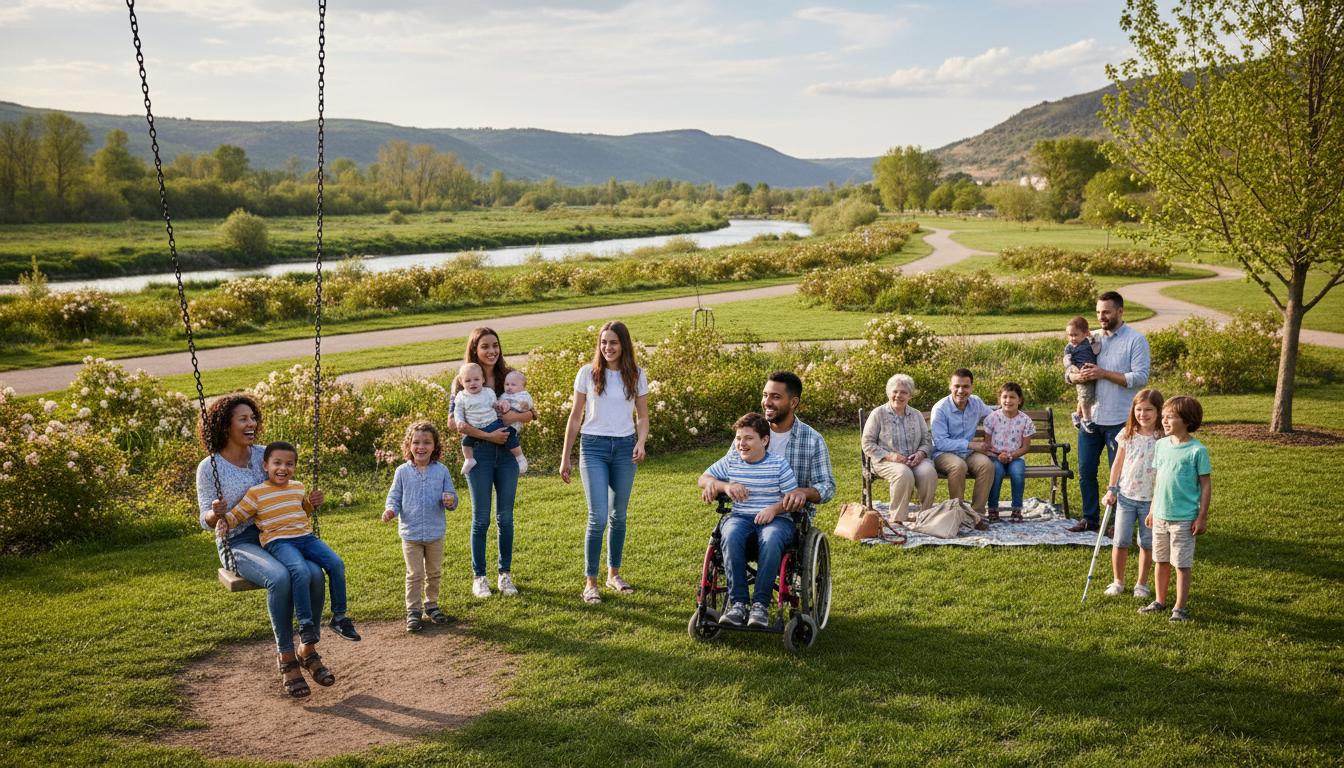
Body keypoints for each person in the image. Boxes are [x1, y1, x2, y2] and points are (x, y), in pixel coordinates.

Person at [196, 394, 328, 699]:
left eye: (253, 417)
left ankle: (307, 648)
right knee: (279, 578)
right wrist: (214, 513)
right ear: (225, 425)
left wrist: (306, 503)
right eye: (243, 419)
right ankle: (286, 658)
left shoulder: (262, 455)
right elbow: (204, 519)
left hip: (275, 535)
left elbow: (283, 491)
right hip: (237, 541)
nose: (251, 423)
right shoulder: (210, 466)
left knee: (315, 573)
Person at [218, 440, 360, 652]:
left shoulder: (298, 487)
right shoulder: (256, 493)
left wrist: (312, 503)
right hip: (278, 542)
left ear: (294, 467)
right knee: (300, 571)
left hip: (305, 538)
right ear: (265, 466)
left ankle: (339, 617)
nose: (283, 468)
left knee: (336, 563)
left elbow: (301, 511)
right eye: (277, 463)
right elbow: (238, 515)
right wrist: (223, 520)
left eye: (289, 464)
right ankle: (306, 624)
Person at [560, 320, 650, 605]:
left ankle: (614, 574)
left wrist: (641, 442)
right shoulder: (588, 373)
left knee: (618, 516)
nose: (607, 347)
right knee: (597, 517)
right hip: (593, 447)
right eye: (603, 342)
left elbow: (643, 417)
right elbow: (575, 417)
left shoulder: (636, 375)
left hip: (624, 448)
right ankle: (591, 583)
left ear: (623, 344)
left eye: (613, 342)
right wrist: (565, 457)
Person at [448, 327, 535, 599]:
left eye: (495, 345)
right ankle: (480, 577)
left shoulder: (508, 377)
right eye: (485, 346)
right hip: (480, 455)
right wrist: (487, 435)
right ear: (475, 349)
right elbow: (453, 422)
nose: (491, 350)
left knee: (505, 517)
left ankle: (505, 574)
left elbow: (532, 412)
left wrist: (512, 419)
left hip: (508, 454)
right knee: (481, 518)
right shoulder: (462, 380)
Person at [698, 413, 798, 628]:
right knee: (731, 534)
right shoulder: (731, 461)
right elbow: (703, 479)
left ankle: (760, 606)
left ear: (764, 440)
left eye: (748, 438)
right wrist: (725, 486)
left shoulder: (779, 465)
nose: (741, 444)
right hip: (741, 518)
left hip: (777, 520)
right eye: (738, 438)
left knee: (771, 539)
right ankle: (738, 604)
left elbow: (793, 499)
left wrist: (774, 509)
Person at [1067, 291, 1151, 533]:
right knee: (1086, 472)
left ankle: (1116, 523)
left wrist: (1103, 373)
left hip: (1120, 421)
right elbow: (1067, 372)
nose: (1101, 316)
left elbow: (1140, 377)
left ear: (1120, 311)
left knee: (1120, 476)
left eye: (1106, 312)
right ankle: (1090, 519)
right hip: (1090, 420)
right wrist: (1076, 376)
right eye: (1098, 312)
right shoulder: (1088, 338)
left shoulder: (1136, 340)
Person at [1140, 395, 1211, 622]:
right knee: (1160, 561)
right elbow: (1159, 481)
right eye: (1164, 417)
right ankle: (1160, 601)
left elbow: (1205, 486)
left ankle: (1179, 608)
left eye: (1170, 417)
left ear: (1187, 420)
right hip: (1160, 515)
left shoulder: (1197, 451)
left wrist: (1202, 517)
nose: (1164, 421)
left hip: (1184, 519)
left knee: (1181, 564)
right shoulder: (1161, 445)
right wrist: (1152, 510)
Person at [383, 420, 459, 633]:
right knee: (415, 573)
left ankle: (431, 605)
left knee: (434, 572)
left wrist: (450, 501)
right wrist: (390, 510)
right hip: (411, 534)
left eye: (427, 442)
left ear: (435, 446)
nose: (421, 447)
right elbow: (394, 497)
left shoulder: (441, 470)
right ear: (409, 445)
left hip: (435, 533)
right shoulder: (402, 472)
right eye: (416, 442)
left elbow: (452, 496)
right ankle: (413, 611)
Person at [1102, 389, 1164, 600]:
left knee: (1146, 543)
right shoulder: (1127, 433)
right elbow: (1117, 463)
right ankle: (1118, 581)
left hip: (1151, 500)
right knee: (1120, 541)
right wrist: (1111, 488)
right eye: (1139, 409)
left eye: (1148, 410)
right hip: (1126, 497)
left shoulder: (1163, 437)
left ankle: (1142, 583)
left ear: (1158, 411)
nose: (1143, 414)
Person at [757, 370, 836, 521]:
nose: (767, 402)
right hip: (748, 512)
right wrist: (716, 484)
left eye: (776, 397)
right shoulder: (750, 433)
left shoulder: (812, 440)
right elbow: (726, 470)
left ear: (793, 402)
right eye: (765, 395)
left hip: (790, 517)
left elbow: (827, 487)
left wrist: (803, 493)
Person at [861, 373, 936, 518]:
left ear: (910, 396)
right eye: (895, 391)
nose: (898, 395)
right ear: (889, 393)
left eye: (903, 392)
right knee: (903, 474)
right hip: (886, 461)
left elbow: (927, 440)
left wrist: (920, 454)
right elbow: (867, 443)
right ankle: (898, 518)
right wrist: (892, 456)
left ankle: (925, 515)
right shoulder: (878, 414)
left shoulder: (917, 415)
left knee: (928, 472)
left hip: (915, 460)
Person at [931, 368, 995, 516]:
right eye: (957, 386)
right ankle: (957, 513)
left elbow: (994, 417)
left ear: (972, 387)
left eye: (966, 386)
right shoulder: (940, 409)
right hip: (943, 454)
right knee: (958, 466)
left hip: (968, 453)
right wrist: (971, 444)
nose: (961, 390)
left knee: (987, 465)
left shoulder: (976, 403)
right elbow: (940, 443)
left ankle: (977, 514)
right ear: (950, 386)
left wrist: (1011, 410)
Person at [455, 362, 526, 476]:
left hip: (492, 423)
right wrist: (460, 421)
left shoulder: (488, 392)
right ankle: (469, 459)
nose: (472, 383)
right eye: (468, 381)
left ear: (483, 379)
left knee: (508, 434)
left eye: (476, 379)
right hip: (475, 428)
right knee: (465, 442)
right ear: (461, 382)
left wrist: (501, 405)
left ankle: (520, 457)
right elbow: (457, 411)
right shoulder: (461, 396)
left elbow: (495, 405)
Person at [983, 381, 1035, 523]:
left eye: (1012, 397)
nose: (1008, 400)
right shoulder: (992, 418)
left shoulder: (1025, 420)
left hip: (1016, 457)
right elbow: (987, 444)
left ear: (1020, 400)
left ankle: (1016, 509)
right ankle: (993, 509)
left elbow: (1025, 447)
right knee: (997, 472)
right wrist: (999, 455)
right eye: (1004, 397)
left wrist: (1011, 455)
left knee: (1017, 472)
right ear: (1000, 399)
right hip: (994, 456)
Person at [1063, 316, 1101, 433]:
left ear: (1085, 333)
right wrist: (1072, 368)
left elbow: (1097, 350)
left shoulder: (1089, 343)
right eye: (1070, 335)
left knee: (1086, 396)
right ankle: (1087, 419)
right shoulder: (1069, 348)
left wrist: (1092, 338)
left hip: (1092, 373)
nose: (1072, 338)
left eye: (1075, 335)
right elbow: (1067, 360)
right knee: (1085, 397)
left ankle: (1077, 414)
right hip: (1081, 374)